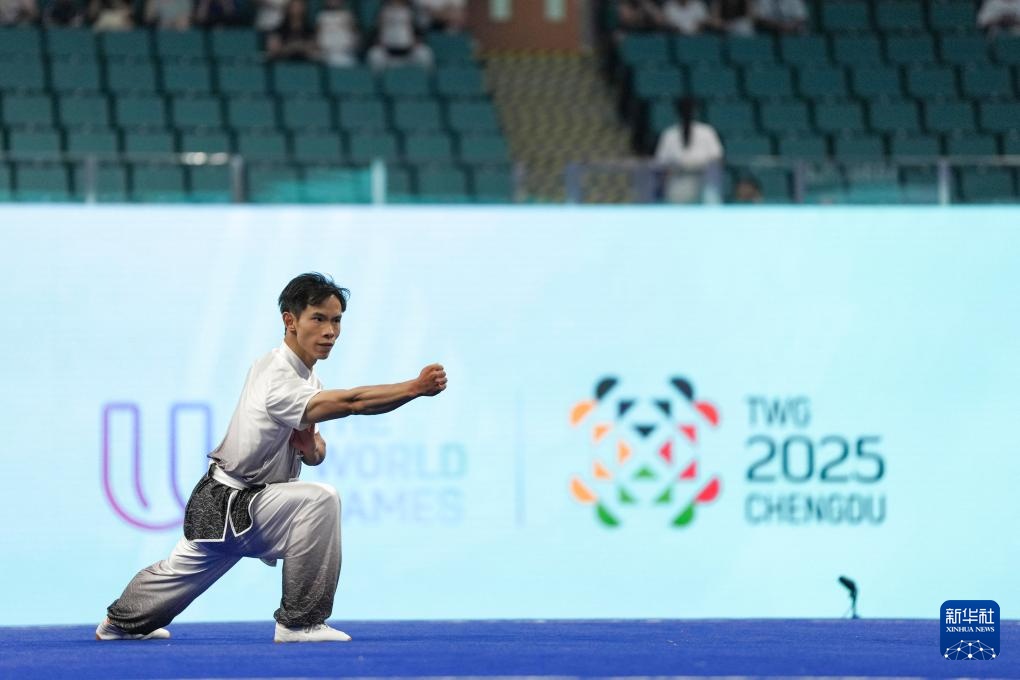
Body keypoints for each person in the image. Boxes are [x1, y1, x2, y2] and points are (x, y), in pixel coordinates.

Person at [96, 273, 448, 643]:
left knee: (176, 572)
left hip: (235, 500)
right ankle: (299, 623)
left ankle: (119, 624)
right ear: (290, 320)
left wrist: (310, 447)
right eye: (318, 318)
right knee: (319, 500)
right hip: (232, 500)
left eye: (336, 320)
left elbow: (315, 453)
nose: (330, 331)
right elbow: (353, 403)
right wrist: (413, 388)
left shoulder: (307, 380)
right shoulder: (276, 375)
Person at [654, 97, 724, 204]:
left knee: (710, 199)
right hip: (678, 181)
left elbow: (717, 159)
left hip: (703, 180)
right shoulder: (669, 134)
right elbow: (661, 163)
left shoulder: (707, 132)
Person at [368, 0, 434, 70]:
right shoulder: (382, 10)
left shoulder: (412, 10)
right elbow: (374, 31)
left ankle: (427, 76)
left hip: (409, 53)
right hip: (388, 54)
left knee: (424, 53)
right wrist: (378, 39)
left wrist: (417, 39)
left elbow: (420, 30)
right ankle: (377, 77)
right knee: (374, 54)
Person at [317, 0, 360, 67]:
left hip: (345, 53)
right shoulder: (321, 16)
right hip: (325, 54)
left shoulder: (348, 15)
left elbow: (355, 37)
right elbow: (318, 37)